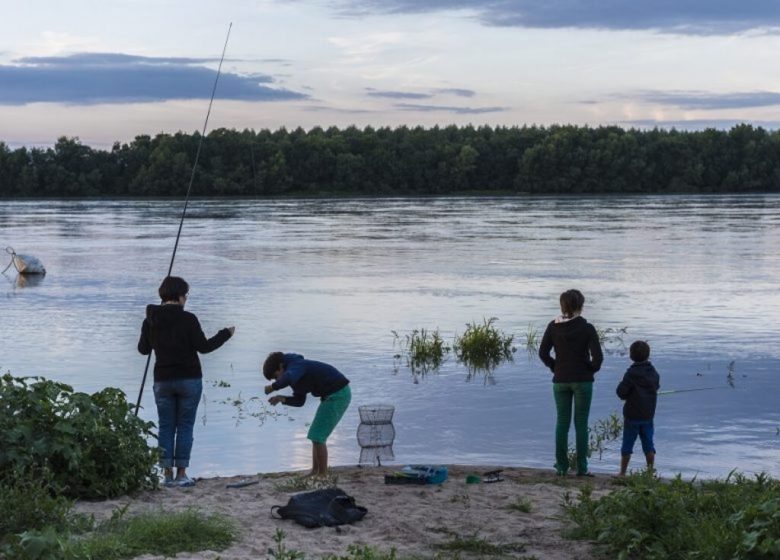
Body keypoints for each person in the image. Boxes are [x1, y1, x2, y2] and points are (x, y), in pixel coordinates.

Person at [138, 276, 234, 487]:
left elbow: (143, 350)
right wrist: (225, 334)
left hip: (162, 381)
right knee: (185, 426)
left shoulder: (150, 319)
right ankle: (182, 475)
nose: (186, 299)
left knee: (165, 427)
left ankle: (166, 475)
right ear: (180, 296)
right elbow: (205, 347)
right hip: (189, 379)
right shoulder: (188, 319)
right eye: (186, 295)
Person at [539, 289, 603, 476]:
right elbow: (598, 358)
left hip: (560, 381)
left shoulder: (553, 326)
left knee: (562, 424)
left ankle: (561, 468)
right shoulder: (587, 328)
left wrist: (555, 367)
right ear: (581, 306)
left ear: (562, 306)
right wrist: (590, 369)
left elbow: (543, 353)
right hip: (583, 381)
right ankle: (582, 469)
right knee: (581, 424)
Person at [263, 352, 351, 476]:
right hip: (332, 396)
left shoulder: (296, 365)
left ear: (281, 366)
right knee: (315, 435)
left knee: (318, 436)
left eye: (276, 376)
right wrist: (282, 399)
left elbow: (288, 377)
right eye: (274, 379)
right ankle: (315, 471)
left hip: (338, 394)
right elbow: (300, 401)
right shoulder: (294, 375)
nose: (277, 380)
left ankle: (322, 475)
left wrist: (273, 387)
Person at [616, 340, 660, 476]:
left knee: (627, 445)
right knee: (649, 444)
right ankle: (649, 473)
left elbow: (621, 392)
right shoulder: (653, 373)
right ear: (648, 355)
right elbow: (656, 387)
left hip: (632, 416)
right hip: (648, 415)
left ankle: (622, 473)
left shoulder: (630, 374)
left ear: (631, 356)